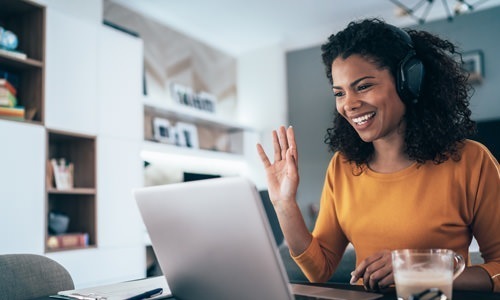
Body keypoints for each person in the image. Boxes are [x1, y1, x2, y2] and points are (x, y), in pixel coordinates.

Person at [256, 18, 500, 292]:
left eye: (363, 86)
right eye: (339, 92)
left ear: (409, 81)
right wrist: (284, 204)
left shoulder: (471, 161)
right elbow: (319, 270)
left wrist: (421, 272)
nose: (349, 104)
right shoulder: (342, 167)